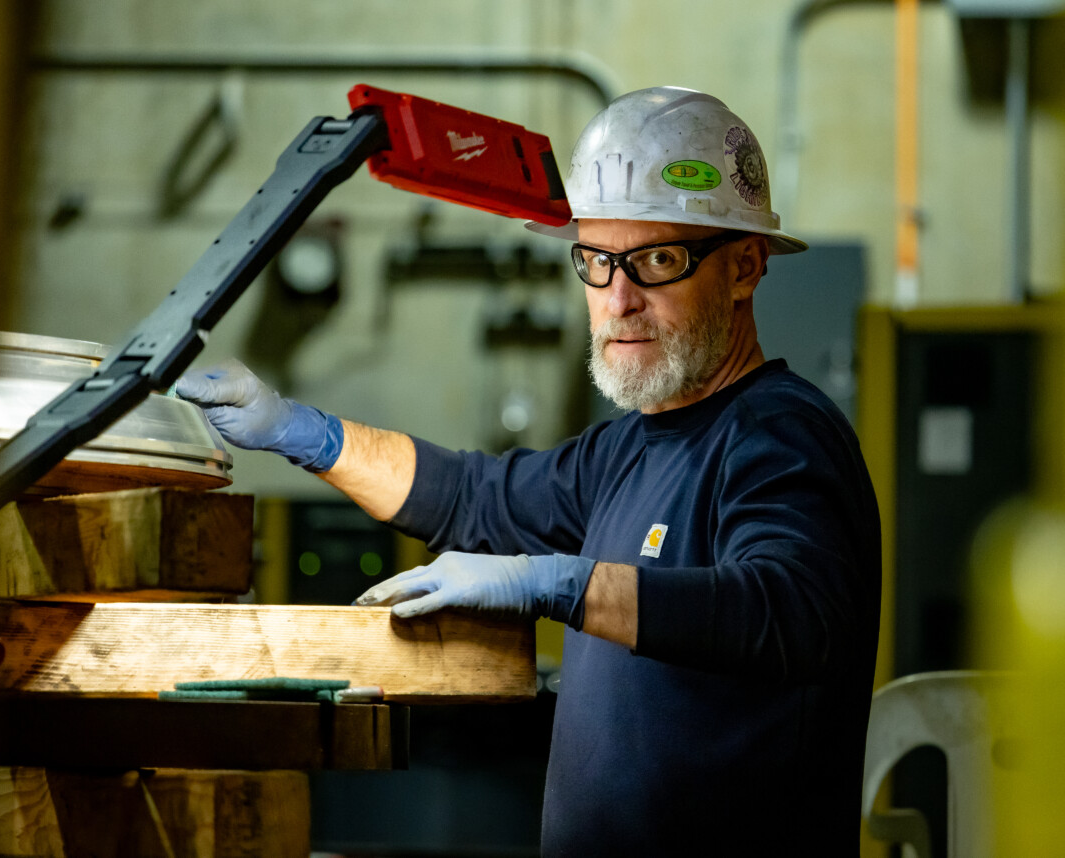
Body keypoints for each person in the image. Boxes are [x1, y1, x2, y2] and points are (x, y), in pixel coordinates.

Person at [177, 87, 881, 856]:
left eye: (657, 260)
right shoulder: (627, 448)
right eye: (597, 261)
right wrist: (297, 431)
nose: (619, 300)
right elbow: (469, 497)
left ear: (745, 267)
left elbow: (788, 613)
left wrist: (555, 584)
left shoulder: (779, 433)